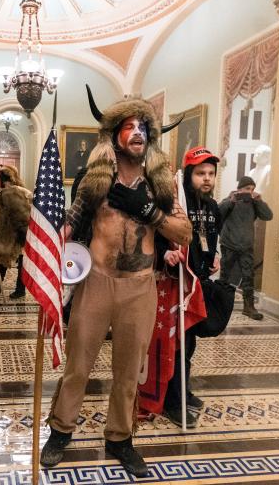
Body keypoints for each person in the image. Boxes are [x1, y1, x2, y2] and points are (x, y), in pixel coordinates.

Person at [40, 87, 192, 477]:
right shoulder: (95, 183)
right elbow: (70, 223)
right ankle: (60, 430)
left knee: (129, 371)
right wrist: (48, 254)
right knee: (78, 365)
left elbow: (184, 233)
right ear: (114, 136)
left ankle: (120, 438)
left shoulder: (160, 188)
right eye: (129, 126)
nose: (138, 132)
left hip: (141, 287)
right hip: (97, 282)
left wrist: (150, 213)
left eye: (143, 127)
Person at [160, 146, 234, 429]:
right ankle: (172, 399)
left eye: (211, 174)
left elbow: (211, 238)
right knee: (178, 343)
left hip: (200, 282)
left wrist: (214, 256)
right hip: (177, 282)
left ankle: (183, 389)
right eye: (201, 173)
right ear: (189, 173)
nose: (206, 179)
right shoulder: (177, 203)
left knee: (189, 344)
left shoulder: (213, 207)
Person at [218, 176, 273, 320]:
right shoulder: (229, 200)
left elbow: (268, 216)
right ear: (240, 189)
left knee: (248, 277)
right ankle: (219, 305)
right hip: (229, 244)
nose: (250, 191)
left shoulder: (254, 203)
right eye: (247, 188)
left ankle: (249, 307)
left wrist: (259, 200)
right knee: (225, 277)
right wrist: (231, 201)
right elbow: (218, 213)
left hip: (246, 247)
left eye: (252, 189)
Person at [0, 166, 32, 299]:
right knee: (3, 259)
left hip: (20, 231)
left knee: (21, 261)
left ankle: (19, 289)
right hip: (10, 231)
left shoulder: (17, 193)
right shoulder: (21, 192)